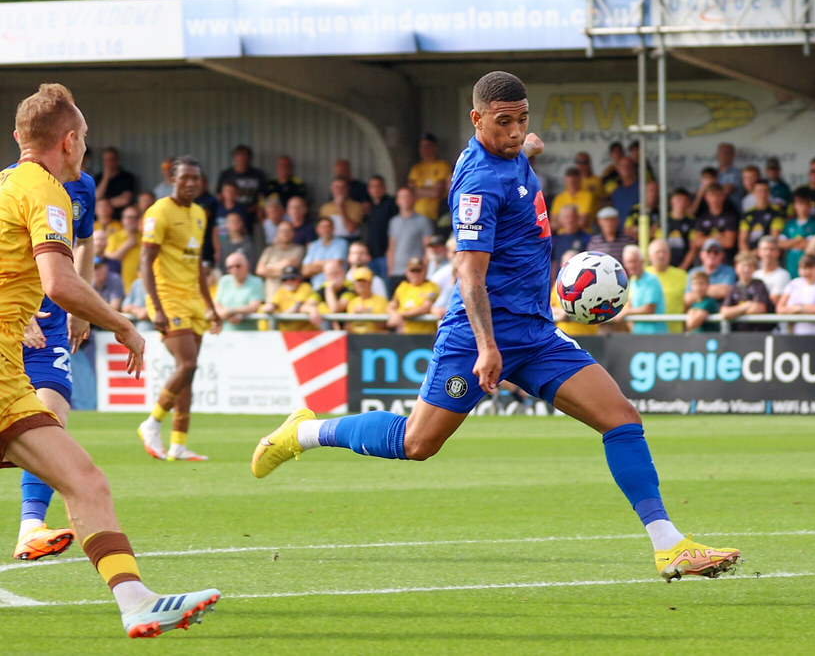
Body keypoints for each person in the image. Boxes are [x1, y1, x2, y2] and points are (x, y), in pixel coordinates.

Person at [251, 70, 740, 582]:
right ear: (476, 119)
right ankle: (304, 432)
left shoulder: (510, 154)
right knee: (417, 444)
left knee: (621, 419)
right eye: (503, 123)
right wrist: (487, 347)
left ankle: (669, 545)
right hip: (478, 337)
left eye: (522, 119)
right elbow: (468, 274)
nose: (514, 131)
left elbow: (514, 151)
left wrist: (526, 145)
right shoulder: (480, 185)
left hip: (536, 332)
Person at [1, 82, 219, 636]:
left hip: (8, 370)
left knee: (85, 480)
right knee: (84, 479)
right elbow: (59, 280)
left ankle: (136, 600)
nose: (86, 149)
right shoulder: (47, 193)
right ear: (69, 141)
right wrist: (122, 323)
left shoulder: (5, 185)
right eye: (86, 139)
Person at [10, 152, 95, 562]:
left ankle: (31, 528)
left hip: (56, 325)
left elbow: (83, 246)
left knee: (51, 420)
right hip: (13, 321)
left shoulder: (84, 188)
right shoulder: (13, 184)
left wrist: (82, 308)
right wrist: (15, 314)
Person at [138, 155, 223, 462]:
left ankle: (178, 444)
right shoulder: (158, 212)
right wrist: (156, 308)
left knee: (189, 372)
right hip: (167, 298)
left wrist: (211, 306)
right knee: (186, 364)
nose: (190, 183)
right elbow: (145, 261)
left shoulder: (200, 214)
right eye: (184, 177)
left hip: (192, 300)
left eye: (195, 178)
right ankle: (152, 423)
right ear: (172, 180)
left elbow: (197, 262)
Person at [387, 186, 435, 295]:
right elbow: (392, 246)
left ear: (413, 199)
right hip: (396, 271)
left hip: (415, 270)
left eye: (408, 196)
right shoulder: (393, 222)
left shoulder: (423, 221)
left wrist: (425, 268)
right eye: (402, 197)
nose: (405, 200)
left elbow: (428, 246)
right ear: (397, 201)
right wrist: (390, 269)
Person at [618, 244, 667, 334]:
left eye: (635, 261)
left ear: (642, 261)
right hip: (639, 336)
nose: (632, 265)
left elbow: (649, 308)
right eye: (629, 262)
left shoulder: (652, 279)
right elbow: (630, 304)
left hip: (656, 335)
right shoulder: (632, 281)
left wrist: (626, 313)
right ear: (625, 264)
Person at [407, 133, 453, 227]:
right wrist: (429, 190)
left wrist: (418, 190)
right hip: (415, 216)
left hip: (435, 217)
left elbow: (437, 192)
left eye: (428, 146)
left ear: (435, 147)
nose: (425, 149)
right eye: (422, 146)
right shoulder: (416, 168)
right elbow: (410, 192)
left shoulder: (443, 166)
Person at [720, 251, 773, 332]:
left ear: (754, 268)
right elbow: (725, 312)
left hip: (759, 332)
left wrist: (735, 312)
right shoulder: (734, 288)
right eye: (743, 266)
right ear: (736, 267)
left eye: (750, 266)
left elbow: (759, 308)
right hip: (739, 334)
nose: (746, 269)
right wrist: (746, 305)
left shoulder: (759, 285)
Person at [216, 144, 266, 229]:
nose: (242, 158)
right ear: (234, 158)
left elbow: (262, 197)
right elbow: (219, 196)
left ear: (249, 158)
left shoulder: (258, 174)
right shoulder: (226, 175)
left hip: (250, 214)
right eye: (239, 155)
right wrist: (223, 210)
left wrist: (256, 208)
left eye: (245, 155)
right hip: (229, 213)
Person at [386, 256, 440, 334]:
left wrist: (401, 314)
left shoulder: (431, 286)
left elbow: (426, 307)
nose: (415, 274)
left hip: (426, 334)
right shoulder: (403, 286)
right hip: (406, 332)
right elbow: (391, 306)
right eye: (412, 270)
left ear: (425, 271)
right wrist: (394, 314)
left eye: (418, 270)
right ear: (407, 272)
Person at [255, 221, 305, 302]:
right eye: (282, 231)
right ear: (277, 233)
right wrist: (284, 272)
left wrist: (268, 267)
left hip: (291, 296)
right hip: (271, 294)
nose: (285, 233)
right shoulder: (269, 250)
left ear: (293, 233)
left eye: (288, 230)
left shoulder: (299, 249)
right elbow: (259, 270)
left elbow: (290, 263)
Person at [688, 182, 739, 263]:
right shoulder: (702, 218)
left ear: (723, 197)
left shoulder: (730, 217)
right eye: (712, 196)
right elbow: (697, 241)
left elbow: (729, 242)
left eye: (718, 196)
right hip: (704, 263)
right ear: (706, 198)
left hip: (725, 262)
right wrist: (718, 237)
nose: (715, 199)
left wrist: (706, 238)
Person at [214, 252, 265, 331]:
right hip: (225, 333)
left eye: (238, 266)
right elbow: (217, 304)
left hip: (250, 334)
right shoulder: (224, 281)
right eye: (230, 267)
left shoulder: (256, 282)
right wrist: (224, 314)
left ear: (247, 265)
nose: (234, 270)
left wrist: (230, 312)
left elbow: (254, 307)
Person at [646, 239, 686, 333]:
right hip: (648, 334)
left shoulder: (682, 275)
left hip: (676, 334)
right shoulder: (643, 274)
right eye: (657, 252)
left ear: (670, 254)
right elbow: (630, 302)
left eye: (664, 252)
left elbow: (688, 303)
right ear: (650, 256)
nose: (661, 255)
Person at [262, 265, 317, 332]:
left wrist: (284, 314)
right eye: (285, 279)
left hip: (306, 334)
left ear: (299, 279)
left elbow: (297, 306)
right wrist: (269, 307)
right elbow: (273, 304)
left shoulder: (305, 287)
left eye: (292, 279)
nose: (288, 282)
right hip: (286, 334)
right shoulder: (282, 290)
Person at [363, 174, 397, 279]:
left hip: (386, 255)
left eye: (379, 186)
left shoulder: (392, 204)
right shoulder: (370, 208)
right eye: (373, 186)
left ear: (384, 188)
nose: (376, 189)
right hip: (372, 256)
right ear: (369, 190)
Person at [779, 191, 815, 277]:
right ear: (795, 206)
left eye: (805, 204)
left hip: (807, 262)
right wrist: (800, 240)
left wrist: (790, 243)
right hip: (791, 262)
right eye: (800, 204)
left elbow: (809, 244)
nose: (803, 207)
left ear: (810, 206)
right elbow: (781, 243)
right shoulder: (789, 224)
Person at [685, 238, 736, 305]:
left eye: (716, 252)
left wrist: (699, 291)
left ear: (721, 255)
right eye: (708, 251)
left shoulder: (729, 271)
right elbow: (688, 298)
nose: (712, 255)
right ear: (701, 254)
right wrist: (716, 290)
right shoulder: (693, 272)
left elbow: (726, 291)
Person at [302, 216, 349, 289]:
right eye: (323, 227)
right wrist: (330, 266)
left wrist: (316, 263)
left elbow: (337, 264)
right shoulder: (313, 246)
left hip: (337, 287)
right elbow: (305, 271)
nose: (327, 229)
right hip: (317, 288)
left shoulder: (341, 243)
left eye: (329, 226)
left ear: (333, 228)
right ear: (317, 229)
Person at [738, 178, 784, 251]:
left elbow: (774, 239)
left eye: (765, 191)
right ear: (754, 192)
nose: (763, 194)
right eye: (760, 191)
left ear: (769, 193)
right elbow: (742, 241)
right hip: (750, 256)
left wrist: (760, 253)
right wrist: (749, 255)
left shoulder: (776, 213)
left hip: (768, 253)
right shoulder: (747, 214)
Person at [104, 205, 142, 291]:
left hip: (141, 288)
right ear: (122, 220)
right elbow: (109, 258)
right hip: (120, 287)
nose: (132, 221)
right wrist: (128, 245)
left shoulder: (145, 237)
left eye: (135, 218)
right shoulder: (114, 237)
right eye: (129, 217)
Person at [94, 146, 137, 219]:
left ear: (117, 160)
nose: (109, 162)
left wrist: (103, 205)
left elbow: (125, 200)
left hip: (120, 217)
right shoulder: (98, 177)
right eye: (106, 160)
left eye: (111, 159)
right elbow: (95, 197)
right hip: (100, 219)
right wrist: (105, 178)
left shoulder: (127, 177)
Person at [346, 266, 389, 334]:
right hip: (355, 340)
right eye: (358, 281)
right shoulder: (352, 302)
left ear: (370, 283)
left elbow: (384, 325)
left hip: (375, 339)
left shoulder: (381, 301)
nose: (360, 284)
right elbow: (347, 329)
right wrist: (352, 317)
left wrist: (366, 315)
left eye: (364, 281)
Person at [753, 236, 791, 304]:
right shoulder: (755, 274)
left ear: (778, 252)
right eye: (765, 249)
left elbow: (774, 301)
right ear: (759, 252)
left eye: (772, 249)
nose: (768, 253)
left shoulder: (783, 275)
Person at [664, 188, 695, 268]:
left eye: (684, 201)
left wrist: (683, 267)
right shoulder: (663, 221)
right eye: (678, 200)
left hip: (684, 267)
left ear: (688, 203)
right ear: (671, 201)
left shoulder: (692, 222)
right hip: (665, 267)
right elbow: (659, 243)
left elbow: (693, 248)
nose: (681, 203)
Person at [715, 142, 743, 209]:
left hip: (732, 209)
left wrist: (712, 191)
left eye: (728, 152)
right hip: (713, 212)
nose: (724, 154)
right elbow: (702, 191)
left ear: (733, 155)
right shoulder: (712, 172)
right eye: (722, 151)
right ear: (717, 154)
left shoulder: (738, 173)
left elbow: (728, 190)